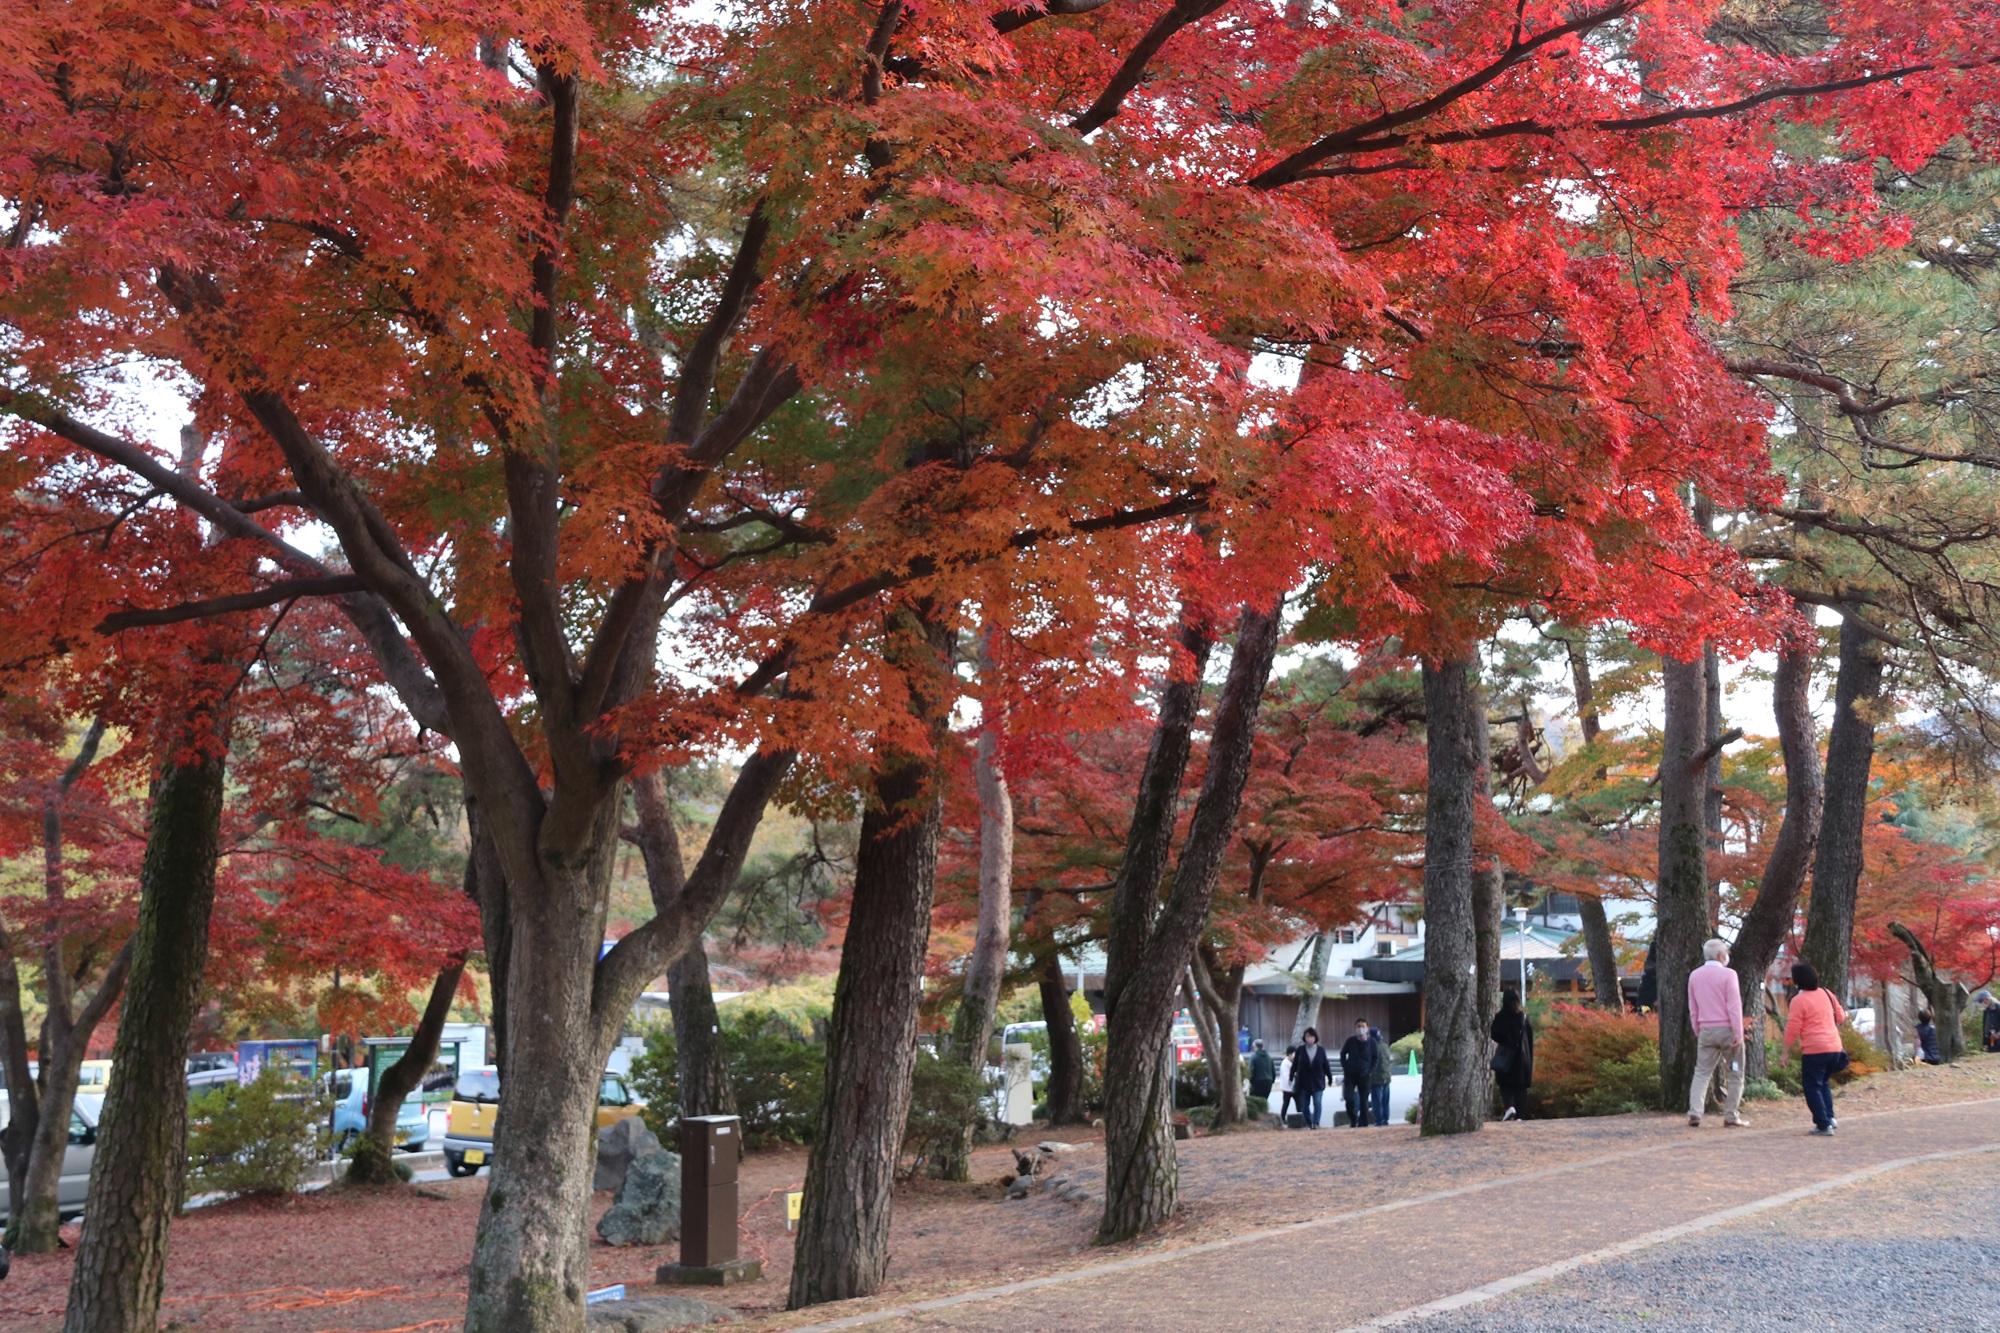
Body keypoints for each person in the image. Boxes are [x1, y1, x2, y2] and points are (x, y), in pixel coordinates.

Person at [1686, 937, 1750, 1128]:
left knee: (1701, 1073)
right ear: (1721, 955)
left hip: (1705, 1030)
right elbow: (1734, 1006)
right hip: (1728, 1030)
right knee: (1735, 1073)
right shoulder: (1729, 975)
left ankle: (1695, 1112)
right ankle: (1730, 1115)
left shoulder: (1694, 975)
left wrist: (1697, 1029)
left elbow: (1693, 1007)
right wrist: (1738, 1033)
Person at [1781, 961, 1848, 1134]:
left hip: (1815, 1050)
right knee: (1823, 1083)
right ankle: (1829, 1117)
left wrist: (1785, 1053)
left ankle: (1823, 1124)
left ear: (1797, 981)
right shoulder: (1827, 993)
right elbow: (1841, 1017)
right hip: (1834, 1047)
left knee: (1811, 1086)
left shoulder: (1798, 1001)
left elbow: (1793, 1028)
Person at [1489, 991, 1534, 1121]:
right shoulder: (1523, 1018)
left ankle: (1509, 1106)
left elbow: (1494, 1034)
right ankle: (1520, 1116)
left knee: (1504, 1083)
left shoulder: (1500, 1017)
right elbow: (1530, 1039)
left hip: (1506, 1057)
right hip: (1521, 1058)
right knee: (1520, 1087)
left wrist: (1505, 1041)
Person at [1291, 1028, 1333, 1129]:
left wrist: (1330, 1077)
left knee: (1317, 1102)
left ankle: (1316, 1122)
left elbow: (1326, 1065)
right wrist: (1291, 1076)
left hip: (1317, 1082)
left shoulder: (1321, 1050)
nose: (1309, 1038)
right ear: (1304, 1038)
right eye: (1307, 1036)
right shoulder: (1300, 1050)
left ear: (1315, 1038)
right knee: (1304, 1105)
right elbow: (1295, 1064)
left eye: (1312, 1036)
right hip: (1303, 1082)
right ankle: (1309, 1123)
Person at [1338, 1019, 1377, 1127]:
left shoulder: (1372, 1042)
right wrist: (1345, 1066)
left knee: (1364, 1101)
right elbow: (1343, 1054)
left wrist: (1370, 1070)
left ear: (1367, 1028)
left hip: (1365, 1074)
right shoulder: (1350, 1041)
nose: (1361, 1029)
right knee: (1349, 1098)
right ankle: (1353, 1118)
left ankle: (1363, 1122)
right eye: (1358, 1026)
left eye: (1363, 1026)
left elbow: (1375, 1057)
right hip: (1350, 1074)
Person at [1368, 1022, 1393, 1128]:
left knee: (1377, 1102)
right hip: (1386, 1077)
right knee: (1385, 1101)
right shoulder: (1384, 1046)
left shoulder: (1372, 1048)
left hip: (1376, 1079)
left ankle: (1379, 1121)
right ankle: (1385, 1120)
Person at [1277, 1044, 1298, 1125]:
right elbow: (1286, 1076)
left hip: (1295, 1087)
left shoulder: (1294, 1062)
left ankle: (1301, 1117)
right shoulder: (1285, 1063)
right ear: (1289, 1054)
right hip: (1287, 1088)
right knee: (1286, 1103)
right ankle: (1282, 1118)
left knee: (1299, 1103)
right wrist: (1291, 1079)